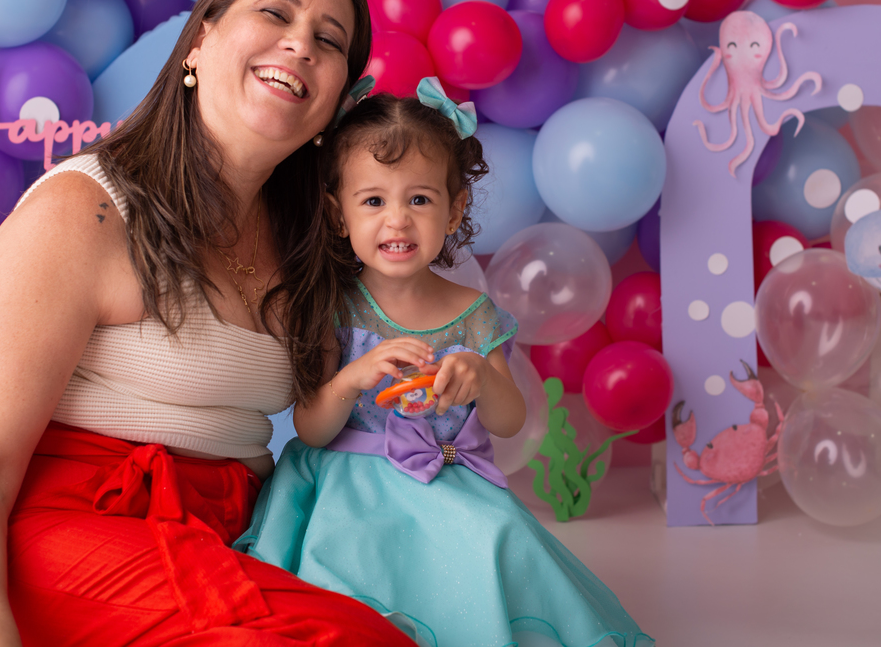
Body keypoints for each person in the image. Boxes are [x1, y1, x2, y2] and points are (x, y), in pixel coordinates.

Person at [0, 0, 419, 647]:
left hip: (223, 541)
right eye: (275, 13)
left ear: (336, 100)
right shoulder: (84, 210)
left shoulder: (309, 242)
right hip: (57, 547)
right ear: (201, 40)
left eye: (328, 40)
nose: (300, 44)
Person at [236, 80, 656, 647]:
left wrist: (481, 377)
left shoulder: (474, 313)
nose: (397, 221)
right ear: (338, 215)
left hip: (447, 478)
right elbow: (311, 428)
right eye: (373, 201)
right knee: (353, 570)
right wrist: (355, 376)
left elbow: (509, 421)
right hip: (348, 488)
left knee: (496, 535)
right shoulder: (334, 306)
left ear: (454, 210)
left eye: (420, 200)